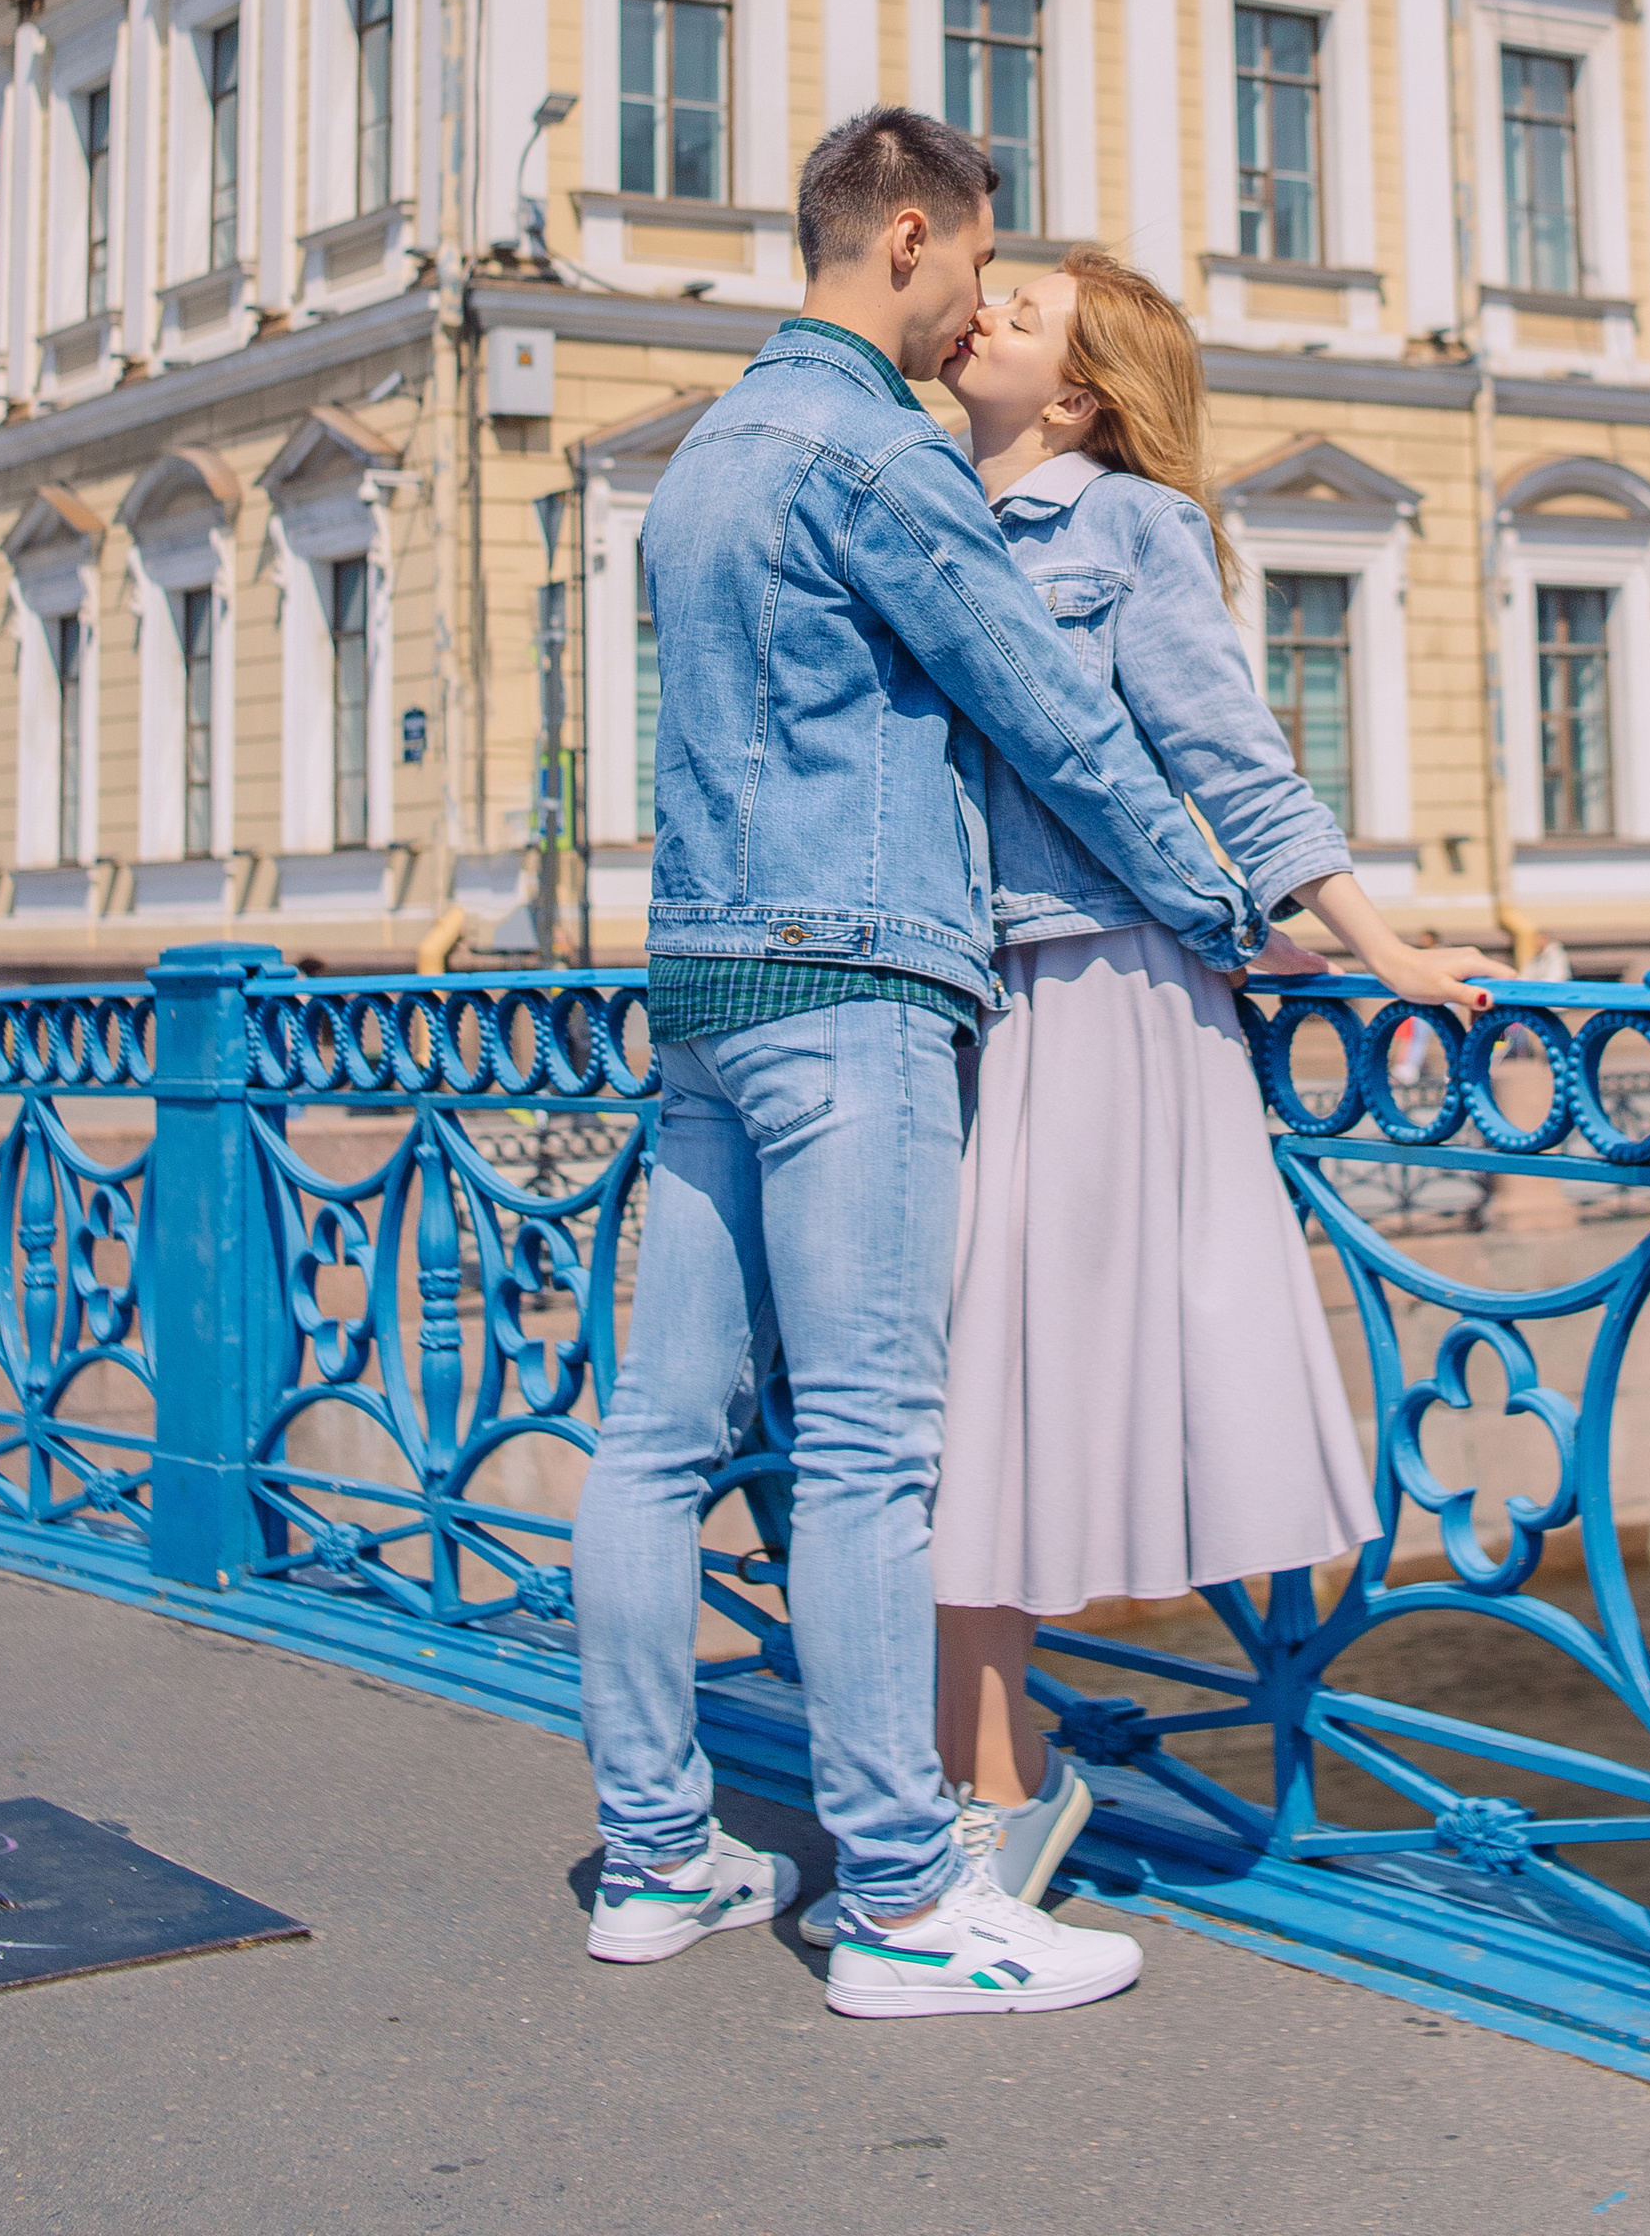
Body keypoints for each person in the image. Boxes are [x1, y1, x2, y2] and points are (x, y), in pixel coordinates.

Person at [572, 113, 1269, 2023]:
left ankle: (655, 1859)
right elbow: (1048, 715)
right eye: (973, 263)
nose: (977, 305)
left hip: (698, 982)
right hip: (856, 980)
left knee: (658, 1440)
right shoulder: (876, 450)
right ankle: (899, 1903)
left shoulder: (708, 450)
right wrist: (1218, 903)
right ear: (905, 239)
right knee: (876, 1448)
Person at [872, 251, 1489, 1912]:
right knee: (946, 1403)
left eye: (1019, 311)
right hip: (949, 986)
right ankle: (982, 1776)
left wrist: (1370, 942)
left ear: (1077, 396)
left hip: (1094, 990)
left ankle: (988, 1792)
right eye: (986, 294)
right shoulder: (914, 500)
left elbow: (1228, 751)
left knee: (987, 1398)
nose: (982, 312)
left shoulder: (1128, 532)